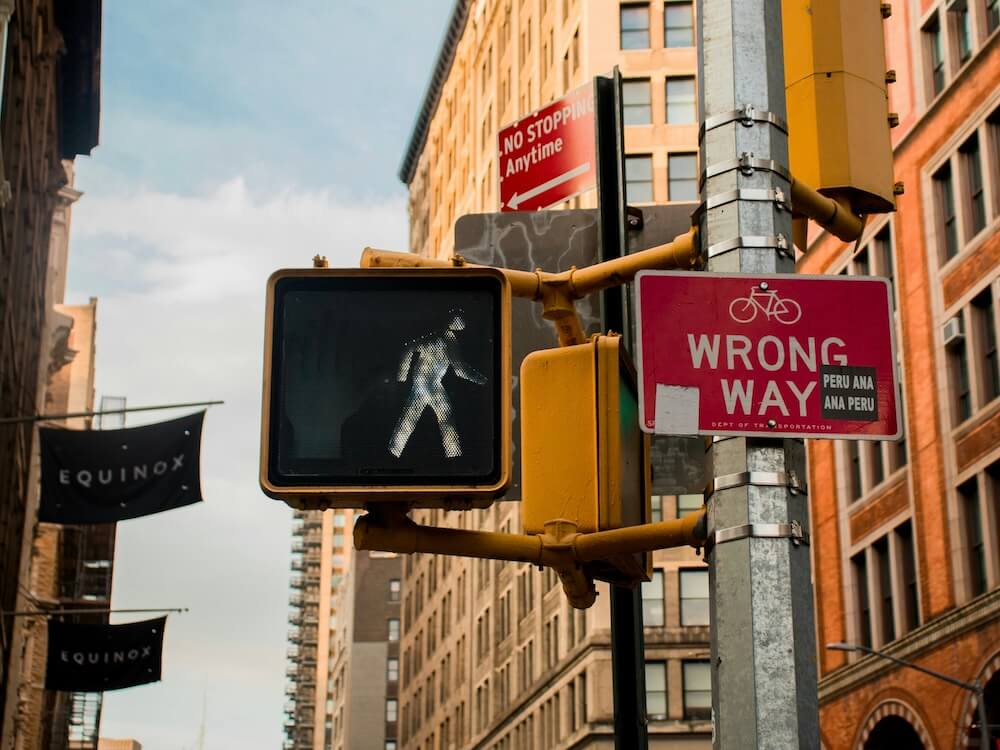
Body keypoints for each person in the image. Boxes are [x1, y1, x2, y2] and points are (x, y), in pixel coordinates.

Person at [388, 308, 486, 459]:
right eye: (461, 320)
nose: (462, 324)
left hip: (421, 382)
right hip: (431, 384)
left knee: (409, 419)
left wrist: (402, 376)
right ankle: (454, 455)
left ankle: (393, 451)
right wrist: (482, 380)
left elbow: (408, 348)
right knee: (446, 418)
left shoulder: (434, 336)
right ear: (455, 321)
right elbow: (460, 370)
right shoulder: (448, 339)